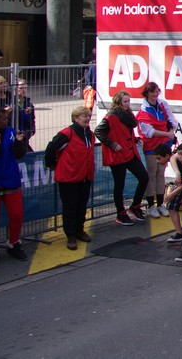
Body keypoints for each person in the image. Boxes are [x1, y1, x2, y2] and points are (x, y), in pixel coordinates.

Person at [45, 106, 96, 250]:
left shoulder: (90, 134)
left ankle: (79, 230)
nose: (88, 118)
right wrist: (52, 164)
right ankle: (71, 235)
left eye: (89, 116)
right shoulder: (67, 133)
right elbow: (51, 148)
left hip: (85, 176)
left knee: (82, 205)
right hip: (69, 177)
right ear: (75, 118)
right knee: (70, 207)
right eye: (84, 116)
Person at [95, 90, 149, 226]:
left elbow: (126, 132)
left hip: (130, 153)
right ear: (118, 102)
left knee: (144, 177)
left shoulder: (128, 114)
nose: (127, 104)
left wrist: (135, 139)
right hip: (118, 155)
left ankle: (135, 206)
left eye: (128, 101)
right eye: (125, 101)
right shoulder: (111, 116)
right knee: (119, 185)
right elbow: (98, 131)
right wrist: (112, 144)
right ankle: (120, 213)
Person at [0, 106, 28, 266]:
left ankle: (13, 243)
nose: (7, 120)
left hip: (10, 180)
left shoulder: (11, 132)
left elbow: (19, 154)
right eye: (3, 118)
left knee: (16, 214)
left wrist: (19, 142)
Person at [136, 82, 176, 217]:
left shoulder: (163, 104)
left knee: (161, 173)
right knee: (151, 173)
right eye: (152, 92)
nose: (155, 94)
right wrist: (167, 134)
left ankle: (160, 204)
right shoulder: (143, 110)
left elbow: (172, 121)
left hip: (164, 144)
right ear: (147, 93)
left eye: (157, 91)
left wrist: (170, 132)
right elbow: (149, 132)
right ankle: (151, 206)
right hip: (151, 144)